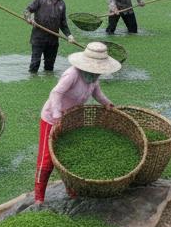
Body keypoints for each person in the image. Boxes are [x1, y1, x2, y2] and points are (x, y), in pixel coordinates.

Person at [33, 42, 119, 206]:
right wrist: (57, 116)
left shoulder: (93, 77)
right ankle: (39, 199)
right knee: (46, 160)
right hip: (52, 118)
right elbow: (56, 93)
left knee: (67, 157)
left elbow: (96, 92)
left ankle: (71, 191)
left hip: (71, 120)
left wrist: (107, 103)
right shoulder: (72, 74)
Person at [26, 0, 77, 74]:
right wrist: (29, 18)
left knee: (49, 67)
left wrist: (69, 35)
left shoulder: (62, 4)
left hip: (53, 40)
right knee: (34, 64)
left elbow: (63, 23)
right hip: (38, 38)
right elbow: (27, 10)